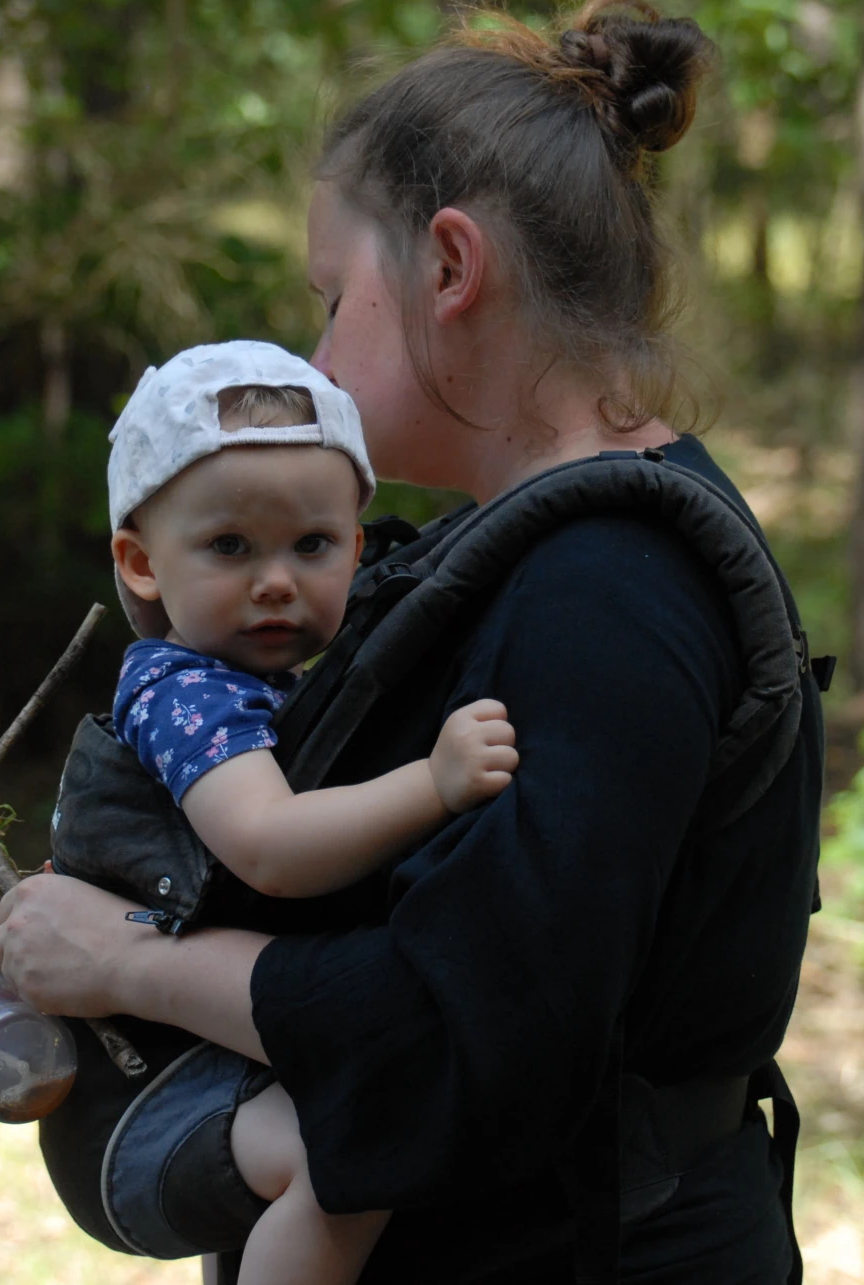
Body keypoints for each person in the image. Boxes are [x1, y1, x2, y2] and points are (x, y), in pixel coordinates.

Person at [0, 4, 826, 1281]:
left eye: (335, 301)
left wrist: (129, 965)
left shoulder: (608, 591)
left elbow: (477, 1034)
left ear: (449, 267)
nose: (317, 355)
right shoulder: (538, 550)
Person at [56, 339, 520, 1285]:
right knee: (349, 1151)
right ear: (142, 564)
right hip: (137, 1104)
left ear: (357, 547)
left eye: (312, 545)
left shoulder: (272, 686)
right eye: (230, 546)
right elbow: (268, 847)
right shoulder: (185, 693)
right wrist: (432, 783)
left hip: (200, 1076)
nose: (276, 579)